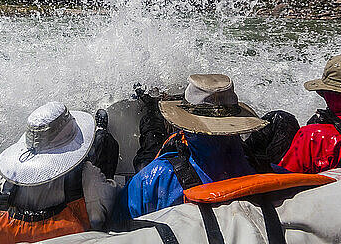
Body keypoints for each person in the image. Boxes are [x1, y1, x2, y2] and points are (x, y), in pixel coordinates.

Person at [113, 74, 268, 220]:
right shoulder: (268, 172)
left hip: (160, 178)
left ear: (186, 126)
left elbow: (119, 225)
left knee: (149, 147)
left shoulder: (155, 178)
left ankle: (152, 109)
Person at [0, 102, 119, 244]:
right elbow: (100, 218)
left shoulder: (0, 184)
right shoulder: (86, 176)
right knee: (103, 145)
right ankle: (101, 134)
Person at [86, 109, 120, 179]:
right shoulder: (115, 142)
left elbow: (92, 162)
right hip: (108, 181)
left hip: (95, 181)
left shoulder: (96, 138)